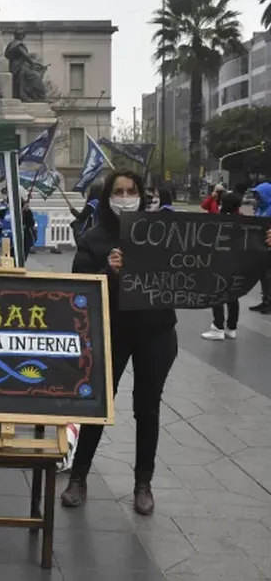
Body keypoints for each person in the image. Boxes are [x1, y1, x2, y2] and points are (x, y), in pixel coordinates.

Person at [60, 170, 178, 516]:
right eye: (118, 191)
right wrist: (106, 272)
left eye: (131, 190)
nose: (125, 196)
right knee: (97, 406)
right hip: (111, 332)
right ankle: (78, 478)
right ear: (107, 197)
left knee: (147, 407)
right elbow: (78, 287)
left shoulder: (163, 233)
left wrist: (256, 245)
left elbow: (208, 254)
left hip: (156, 330)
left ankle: (143, 484)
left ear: (143, 194)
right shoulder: (94, 238)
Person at [203, 190, 243, 341]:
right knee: (233, 295)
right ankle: (231, 328)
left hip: (219, 263)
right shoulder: (243, 221)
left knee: (217, 294)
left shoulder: (218, 221)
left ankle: (218, 327)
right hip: (237, 264)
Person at [251, 180, 271, 313]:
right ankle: (265, 300)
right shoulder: (260, 208)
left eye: (258, 195)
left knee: (269, 276)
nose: (256, 198)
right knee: (263, 276)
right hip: (261, 246)